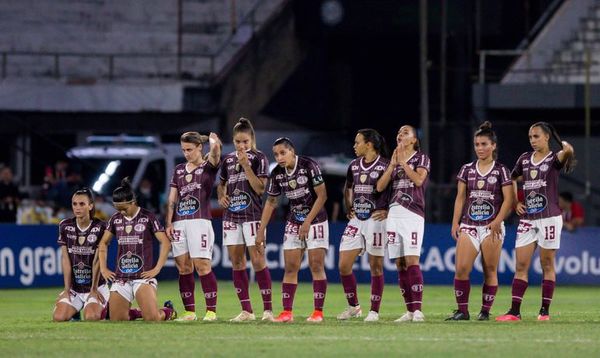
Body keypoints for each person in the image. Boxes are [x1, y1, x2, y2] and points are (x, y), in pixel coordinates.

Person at [496, 122, 575, 321]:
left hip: (549, 218)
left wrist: (568, 148)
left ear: (547, 137)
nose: (533, 140)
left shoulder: (552, 158)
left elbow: (567, 152)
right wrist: (515, 202)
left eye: (536, 136)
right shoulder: (524, 159)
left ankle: (544, 311)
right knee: (521, 265)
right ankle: (514, 312)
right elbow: (512, 178)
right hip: (528, 219)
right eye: (531, 137)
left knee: (547, 264)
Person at [256, 137, 329, 323]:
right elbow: (271, 202)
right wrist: (260, 230)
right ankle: (287, 312)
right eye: (276, 154)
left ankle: (318, 313)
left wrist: (308, 222)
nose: (279, 157)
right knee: (290, 267)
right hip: (294, 221)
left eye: (283, 153)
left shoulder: (309, 165)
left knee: (316, 265)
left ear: (292, 151)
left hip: (316, 220)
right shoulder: (277, 173)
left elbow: (322, 196)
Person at [446, 121, 513, 321]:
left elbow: (509, 200)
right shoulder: (467, 169)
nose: (480, 148)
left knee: (490, 269)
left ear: (493, 146)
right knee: (461, 269)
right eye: (477, 144)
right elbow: (460, 198)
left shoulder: (501, 170)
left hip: (492, 225)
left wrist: (498, 221)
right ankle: (462, 311)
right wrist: (455, 223)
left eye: (484, 144)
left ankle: (484, 311)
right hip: (469, 224)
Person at [217, 118, 273, 322]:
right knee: (237, 262)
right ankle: (247, 311)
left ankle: (267, 310)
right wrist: (221, 196)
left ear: (252, 140)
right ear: (233, 141)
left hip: (253, 216)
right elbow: (221, 184)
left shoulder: (260, 158)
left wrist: (246, 166)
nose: (241, 146)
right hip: (231, 217)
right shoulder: (227, 160)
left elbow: (260, 189)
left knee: (258, 261)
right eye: (238, 142)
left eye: (245, 142)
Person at [97, 178, 175, 321]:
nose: (121, 212)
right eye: (118, 209)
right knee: (117, 319)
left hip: (142, 277)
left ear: (133, 202)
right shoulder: (115, 219)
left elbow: (165, 242)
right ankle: (139, 312)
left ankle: (168, 311)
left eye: (124, 209)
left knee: (152, 319)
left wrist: (157, 269)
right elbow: (103, 244)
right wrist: (103, 269)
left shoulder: (148, 217)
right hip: (122, 278)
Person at [165, 131, 222, 321]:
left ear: (199, 147)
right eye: (183, 150)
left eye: (189, 149)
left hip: (200, 222)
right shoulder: (179, 169)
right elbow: (172, 198)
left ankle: (211, 311)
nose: (186, 153)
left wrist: (213, 140)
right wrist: (169, 222)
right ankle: (189, 312)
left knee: (202, 266)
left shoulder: (208, 167)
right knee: (183, 267)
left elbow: (215, 151)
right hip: (180, 223)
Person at [376, 125, 430, 322]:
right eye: (399, 132)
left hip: (413, 214)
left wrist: (404, 164)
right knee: (399, 263)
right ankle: (408, 311)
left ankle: (418, 310)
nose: (400, 134)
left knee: (411, 260)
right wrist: (392, 165)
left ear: (414, 140)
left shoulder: (421, 158)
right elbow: (380, 186)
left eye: (405, 132)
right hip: (394, 213)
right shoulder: (393, 160)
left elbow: (418, 181)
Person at [336, 129, 390, 322]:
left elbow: (395, 191)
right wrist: (348, 206)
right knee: (343, 266)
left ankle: (374, 311)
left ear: (369, 144)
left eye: (357, 142)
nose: (354, 145)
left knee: (375, 266)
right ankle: (354, 307)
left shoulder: (385, 165)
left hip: (376, 221)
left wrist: (388, 211)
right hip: (357, 220)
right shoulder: (353, 165)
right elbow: (348, 186)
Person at [53, 188, 109, 321]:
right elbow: (66, 259)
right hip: (75, 289)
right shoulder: (65, 226)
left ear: (90, 206)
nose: (77, 208)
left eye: (82, 204)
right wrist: (67, 290)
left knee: (91, 317)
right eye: (74, 204)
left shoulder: (101, 227)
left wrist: (94, 289)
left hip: (97, 286)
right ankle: (75, 311)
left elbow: (98, 260)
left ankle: (108, 308)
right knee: (58, 318)